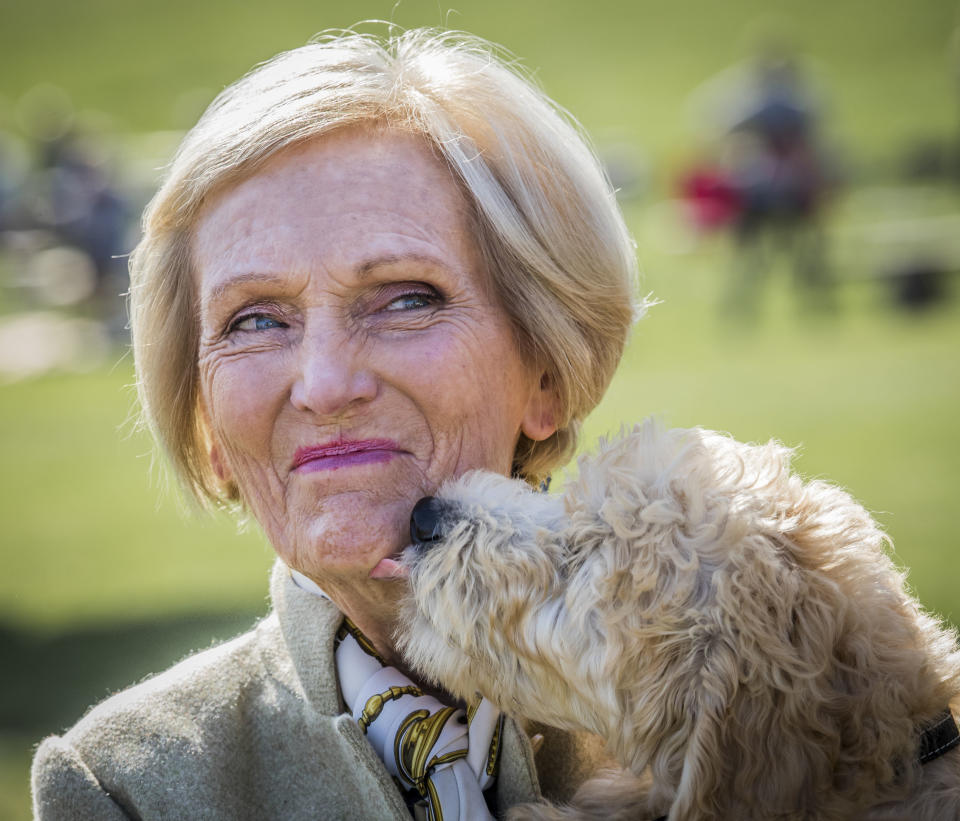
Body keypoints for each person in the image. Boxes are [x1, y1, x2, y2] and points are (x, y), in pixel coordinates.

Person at [31, 28, 639, 820]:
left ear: (548, 372)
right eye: (254, 320)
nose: (324, 385)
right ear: (207, 425)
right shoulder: (125, 790)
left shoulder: (721, 712)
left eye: (406, 297)